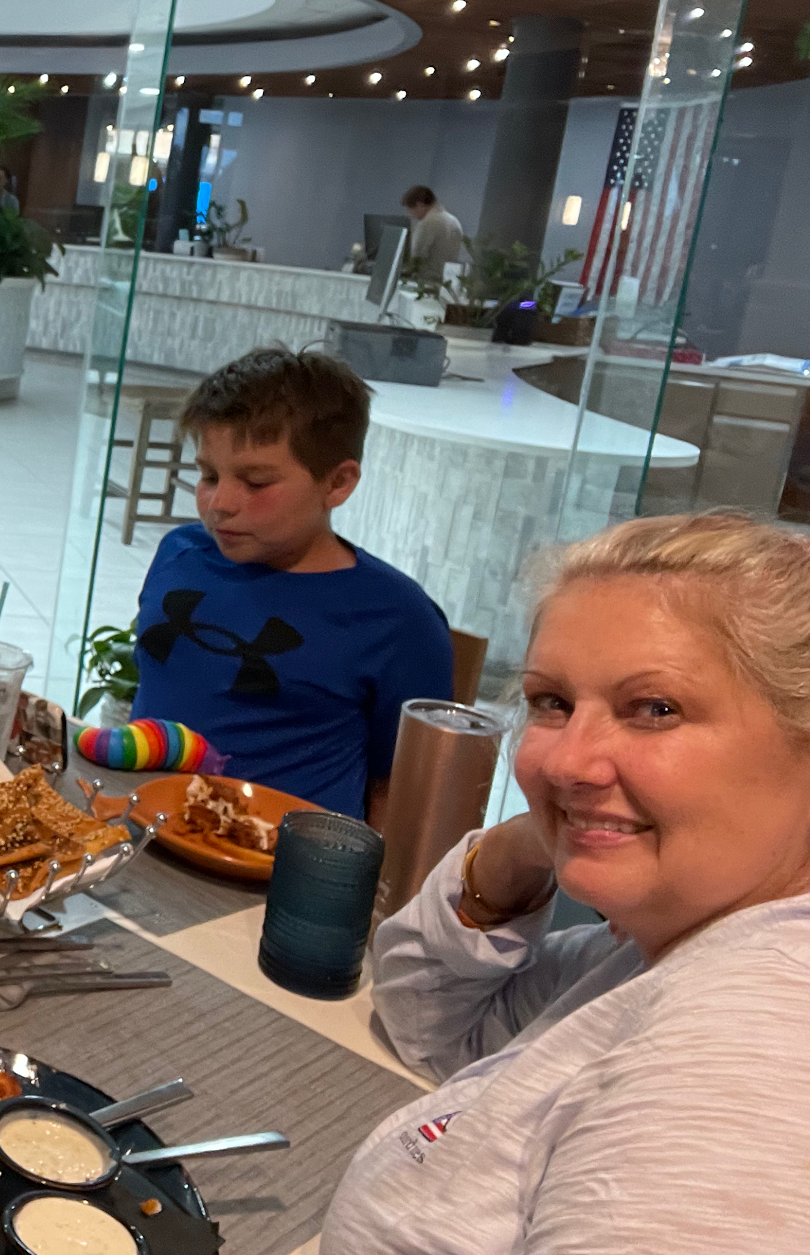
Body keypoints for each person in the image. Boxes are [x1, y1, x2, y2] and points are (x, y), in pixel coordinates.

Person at [323, 512, 810, 1251]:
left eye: (655, 709)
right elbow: (429, 1023)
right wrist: (531, 842)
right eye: (551, 702)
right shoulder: (653, 952)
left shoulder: (748, 1050)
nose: (564, 763)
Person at [129, 347, 452, 821]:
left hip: (278, 856)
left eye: (256, 482)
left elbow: (403, 794)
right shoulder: (180, 553)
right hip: (139, 825)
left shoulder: (399, 619)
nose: (220, 503)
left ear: (337, 483)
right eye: (209, 475)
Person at [402, 184, 466, 269]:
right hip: (447, 274)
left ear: (419, 205)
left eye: (410, 210)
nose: (410, 215)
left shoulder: (428, 222)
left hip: (427, 274)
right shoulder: (454, 221)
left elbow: (417, 256)